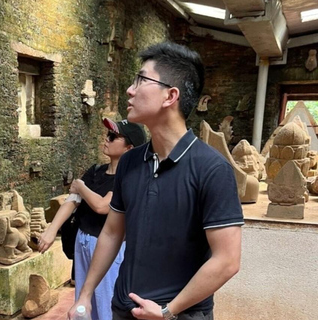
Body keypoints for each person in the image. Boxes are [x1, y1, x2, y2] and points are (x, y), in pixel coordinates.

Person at [70, 42, 244, 320]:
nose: (130, 89)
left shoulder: (212, 169)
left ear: (170, 96)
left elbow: (227, 261)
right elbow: (113, 232)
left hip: (179, 314)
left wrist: (167, 311)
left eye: (141, 79)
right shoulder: (130, 161)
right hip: (125, 308)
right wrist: (86, 295)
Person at [38, 118, 146, 320]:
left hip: (108, 247)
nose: (106, 139)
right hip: (83, 240)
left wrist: (80, 186)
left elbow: (102, 206)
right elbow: (72, 201)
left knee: (106, 302)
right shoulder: (96, 171)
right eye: (107, 135)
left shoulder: (130, 177)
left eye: (113, 137)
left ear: (129, 148)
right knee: (83, 300)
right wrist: (52, 230)